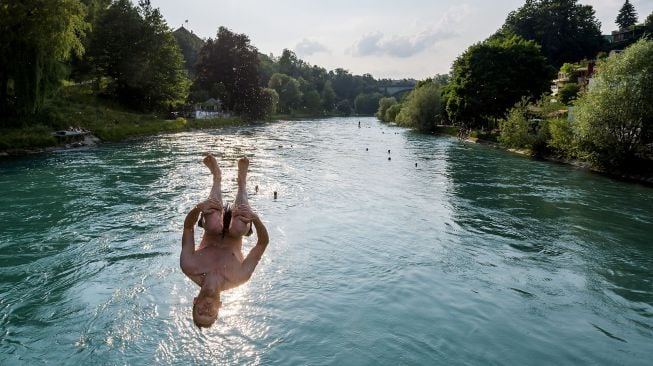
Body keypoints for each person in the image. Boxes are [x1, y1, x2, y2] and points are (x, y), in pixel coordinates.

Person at [180, 154, 269, 328]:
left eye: (200, 311)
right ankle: (242, 181)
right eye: (210, 313)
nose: (206, 309)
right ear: (219, 307)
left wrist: (199, 208)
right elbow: (262, 244)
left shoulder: (189, 266)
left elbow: (188, 228)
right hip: (239, 226)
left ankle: (217, 177)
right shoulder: (239, 277)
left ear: (195, 301)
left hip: (211, 224)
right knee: (238, 227)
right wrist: (256, 219)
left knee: (213, 224)